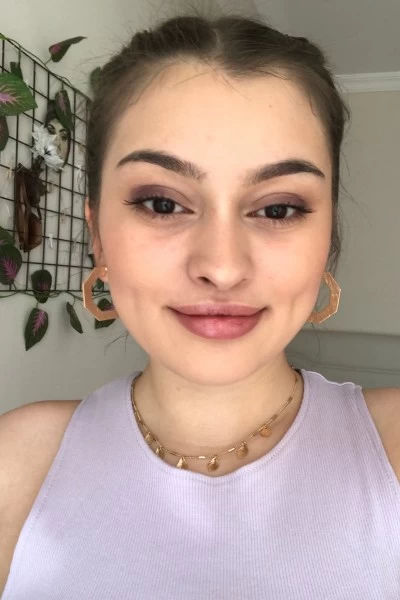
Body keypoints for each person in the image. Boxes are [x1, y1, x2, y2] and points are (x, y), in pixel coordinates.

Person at [1, 13, 399, 599]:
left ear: (327, 238)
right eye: (162, 203)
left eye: (279, 208)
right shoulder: (15, 461)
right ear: (97, 234)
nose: (222, 265)